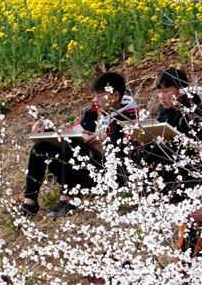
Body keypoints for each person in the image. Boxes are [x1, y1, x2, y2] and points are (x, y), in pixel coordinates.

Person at [23, 71, 139, 219]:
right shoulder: (95, 110)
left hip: (110, 176)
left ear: (115, 96)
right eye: (95, 95)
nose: (95, 100)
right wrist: (46, 132)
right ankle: (30, 202)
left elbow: (127, 155)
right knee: (41, 148)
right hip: (80, 169)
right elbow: (74, 132)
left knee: (72, 143)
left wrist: (105, 142)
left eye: (99, 95)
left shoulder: (131, 117)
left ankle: (68, 198)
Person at [139, 68, 202, 202]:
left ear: (181, 89)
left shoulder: (199, 112)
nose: (161, 96)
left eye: (166, 91)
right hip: (172, 168)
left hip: (198, 170)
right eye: (159, 91)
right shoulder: (164, 113)